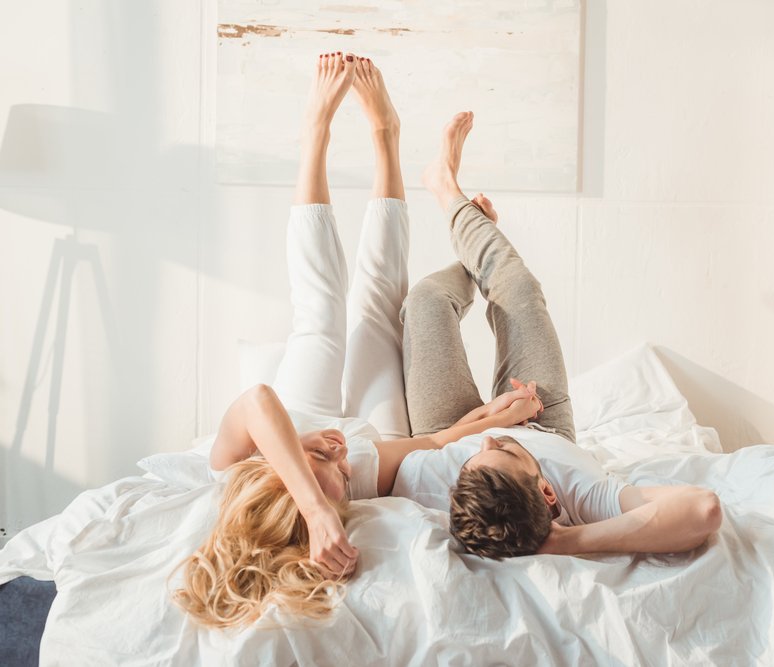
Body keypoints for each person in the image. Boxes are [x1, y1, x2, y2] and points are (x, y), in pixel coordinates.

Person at [174, 53, 541, 628]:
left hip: (294, 414)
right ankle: (386, 138)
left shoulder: (233, 467)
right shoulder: (353, 474)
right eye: (343, 477)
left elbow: (257, 401)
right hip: (358, 449)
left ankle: (314, 135)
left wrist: (317, 503)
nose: (340, 451)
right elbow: (436, 441)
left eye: (323, 458)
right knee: (376, 310)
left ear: (285, 478)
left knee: (320, 308)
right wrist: (494, 419)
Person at [392, 112, 723, 559]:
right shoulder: (582, 491)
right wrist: (567, 539)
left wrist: (477, 431)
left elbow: (423, 451)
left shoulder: (436, 478)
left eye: (478, 458)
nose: (490, 440)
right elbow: (703, 510)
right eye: (506, 451)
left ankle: (471, 243)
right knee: (520, 289)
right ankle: (452, 198)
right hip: (542, 416)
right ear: (548, 491)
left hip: (447, 430)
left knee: (426, 302)